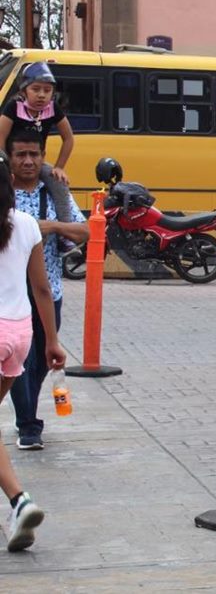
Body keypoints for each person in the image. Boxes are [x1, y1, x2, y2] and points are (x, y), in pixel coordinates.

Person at [0, 149, 68, 552]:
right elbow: (42, 289)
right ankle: (17, 504)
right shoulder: (27, 223)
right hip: (19, 337)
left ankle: (20, 498)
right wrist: (54, 340)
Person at [6, 128, 87, 451]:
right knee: (17, 361)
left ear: (42, 157)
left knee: (41, 360)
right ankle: (28, 424)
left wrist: (51, 226)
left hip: (48, 290)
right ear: (9, 158)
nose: (28, 161)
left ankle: (27, 412)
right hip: (11, 296)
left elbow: (85, 231)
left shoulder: (54, 192)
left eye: (34, 155)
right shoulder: (3, 193)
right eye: (20, 155)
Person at [0, 62, 78, 251]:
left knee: (58, 183)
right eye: (36, 89)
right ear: (24, 90)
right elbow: (0, 137)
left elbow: (68, 138)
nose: (42, 95)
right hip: (9, 159)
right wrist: (5, 164)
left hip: (35, 161)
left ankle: (65, 234)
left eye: (47, 90)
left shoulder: (53, 109)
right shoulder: (13, 107)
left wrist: (59, 167)